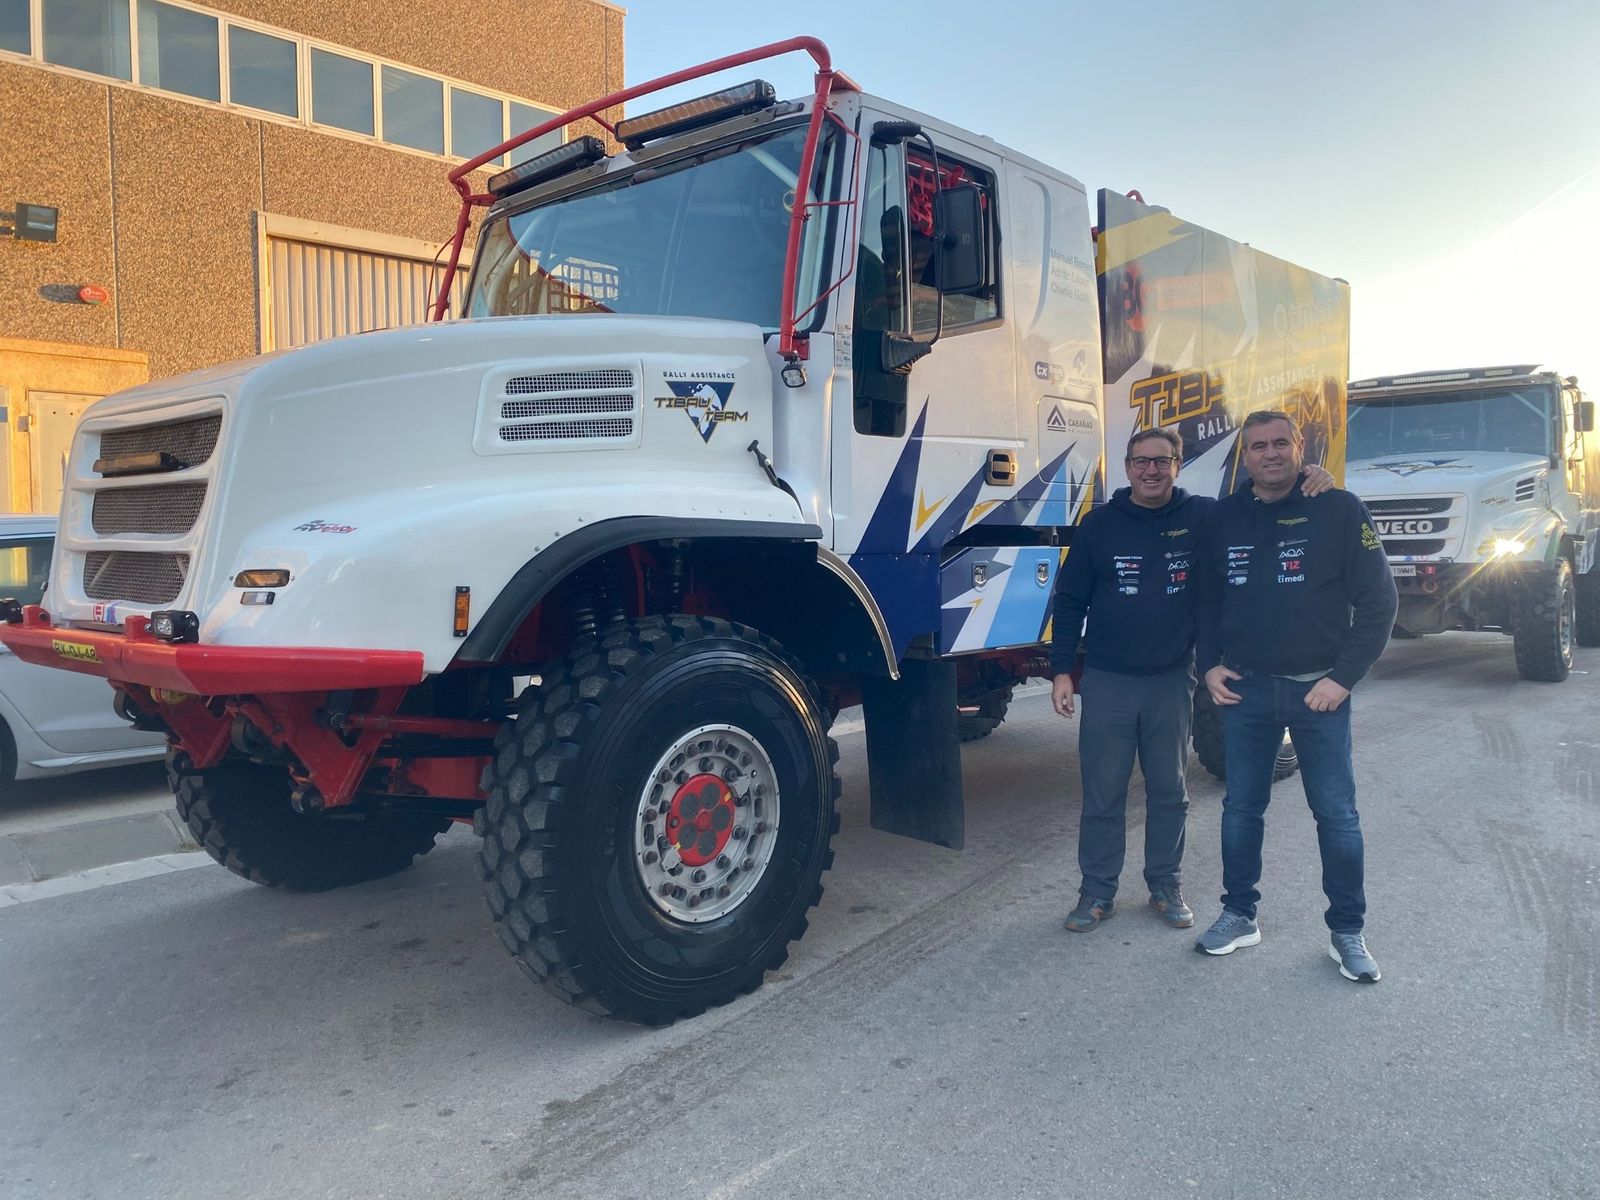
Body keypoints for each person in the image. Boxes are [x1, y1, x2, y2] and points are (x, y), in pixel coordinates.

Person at [1051, 426, 1333, 934]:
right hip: (1109, 680)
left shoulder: (1203, 515)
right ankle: (1097, 891)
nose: (1151, 470)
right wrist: (1060, 671)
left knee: (1169, 792)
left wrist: (1311, 478)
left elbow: (1260, 497)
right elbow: (1070, 601)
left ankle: (1165, 884)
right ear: (1127, 467)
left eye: (1162, 461)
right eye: (1141, 461)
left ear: (1177, 465)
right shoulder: (1098, 525)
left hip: (1172, 680)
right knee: (1103, 794)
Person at [1192, 410, 1397, 983]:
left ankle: (1347, 931)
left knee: (1336, 815)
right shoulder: (1222, 517)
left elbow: (1380, 602)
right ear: (1245, 455)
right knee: (1240, 810)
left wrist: (1343, 678)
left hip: (1319, 693)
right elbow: (1206, 600)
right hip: (1246, 691)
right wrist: (1208, 665)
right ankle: (1239, 915)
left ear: (1300, 446)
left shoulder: (1339, 508)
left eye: (1281, 443)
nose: (1271, 454)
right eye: (1259, 446)